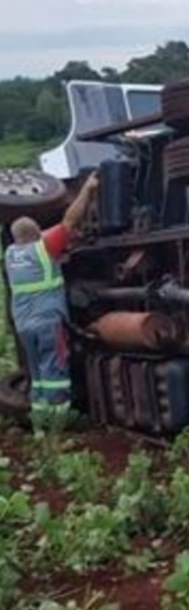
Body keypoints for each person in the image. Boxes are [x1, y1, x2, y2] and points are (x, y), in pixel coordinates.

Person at [5, 172, 98, 430]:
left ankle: (40, 430)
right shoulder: (44, 248)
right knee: (54, 374)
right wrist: (88, 190)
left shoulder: (11, 254)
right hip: (48, 323)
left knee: (37, 378)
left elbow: (30, 235)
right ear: (39, 235)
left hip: (24, 327)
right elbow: (70, 221)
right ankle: (57, 429)